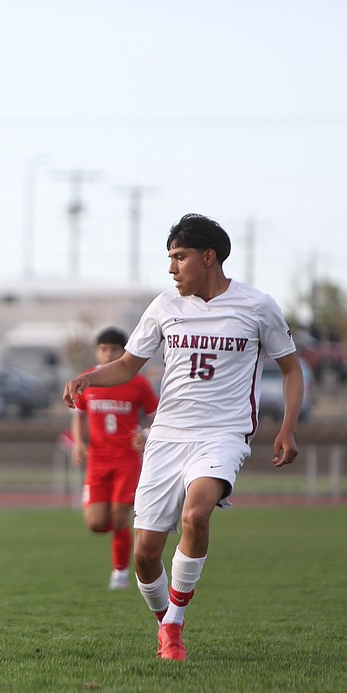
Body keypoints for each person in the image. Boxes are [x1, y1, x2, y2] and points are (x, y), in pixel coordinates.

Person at [62, 214, 303, 662]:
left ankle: (173, 624)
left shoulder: (257, 305)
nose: (172, 268)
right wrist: (90, 378)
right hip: (167, 438)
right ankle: (164, 620)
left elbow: (291, 368)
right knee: (146, 556)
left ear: (207, 257)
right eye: (169, 258)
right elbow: (128, 365)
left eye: (179, 257)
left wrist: (287, 427)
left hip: (223, 434)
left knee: (196, 516)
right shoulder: (164, 306)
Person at [70, 327, 159, 590]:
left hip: (127, 459)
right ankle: (128, 535)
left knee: (120, 517)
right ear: (97, 351)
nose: (109, 354)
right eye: (104, 349)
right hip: (97, 460)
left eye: (114, 349)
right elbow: (77, 414)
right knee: (97, 523)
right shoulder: (87, 379)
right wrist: (78, 443)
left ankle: (119, 572)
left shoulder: (138, 382)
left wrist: (144, 434)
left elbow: (157, 418)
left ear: (124, 351)